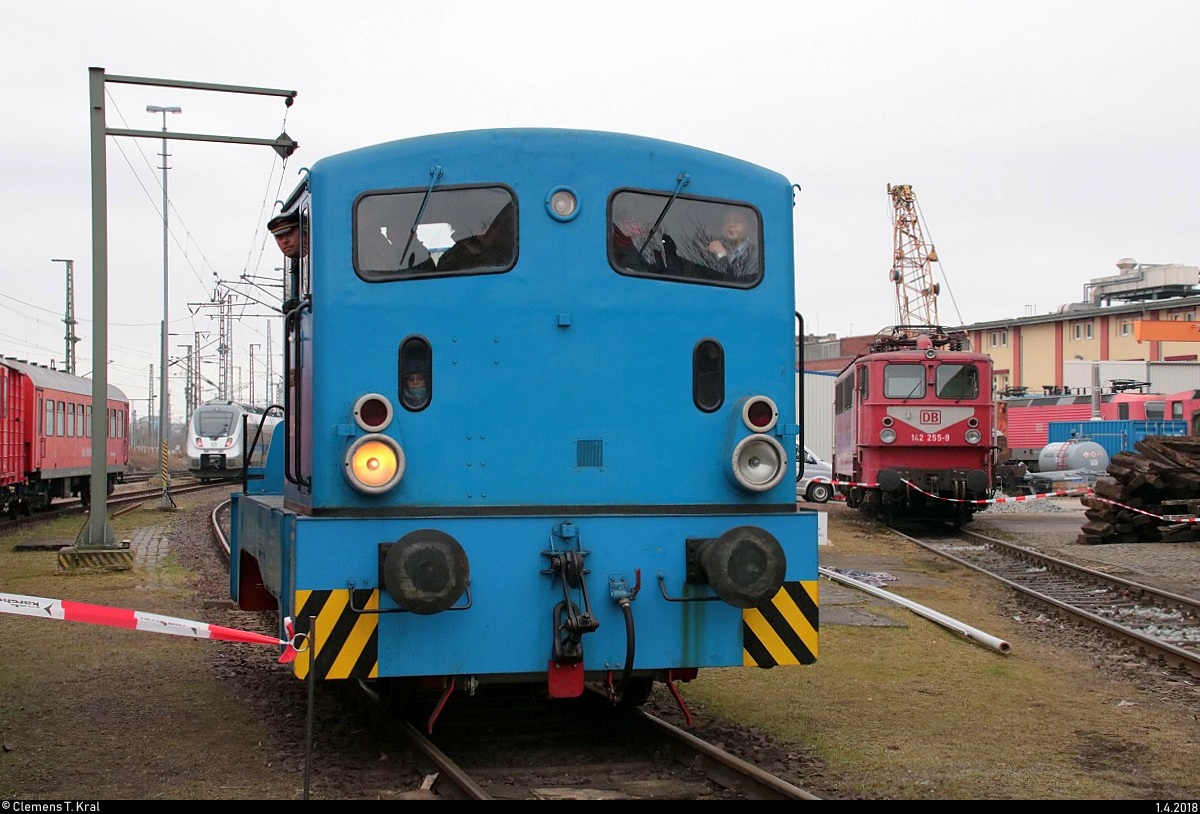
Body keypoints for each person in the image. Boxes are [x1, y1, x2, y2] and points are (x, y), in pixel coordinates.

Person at [437, 203, 515, 272]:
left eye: (490, 227)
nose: (486, 231)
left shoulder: (504, 252)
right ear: (472, 230)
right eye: (482, 227)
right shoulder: (456, 252)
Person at [268, 211, 309, 312]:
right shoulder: (297, 264)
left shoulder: (319, 262)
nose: (285, 240)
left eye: (289, 234)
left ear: (304, 233)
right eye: (279, 237)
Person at [705, 210, 756, 279]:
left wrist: (722, 256)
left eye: (738, 221)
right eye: (727, 221)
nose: (731, 224)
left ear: (748, 228)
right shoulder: (713, 248)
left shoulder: (754, 253)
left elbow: (737, 281)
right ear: (722, 228)